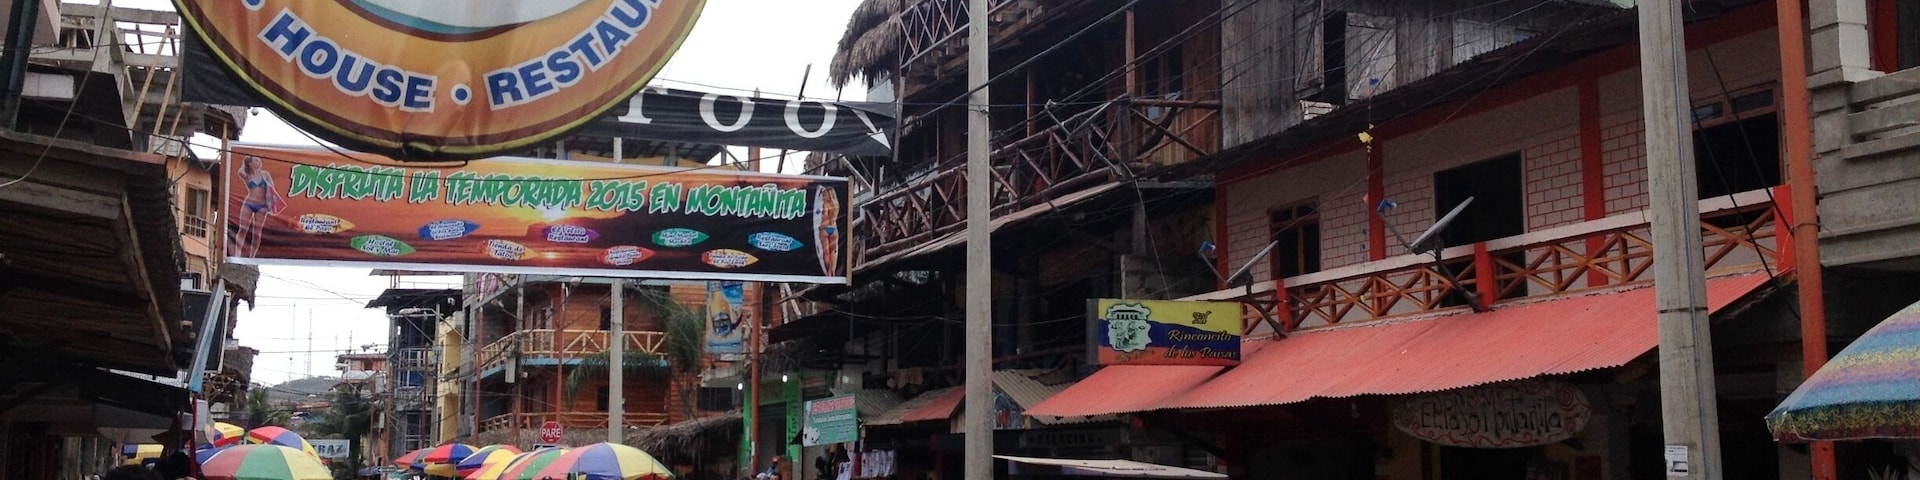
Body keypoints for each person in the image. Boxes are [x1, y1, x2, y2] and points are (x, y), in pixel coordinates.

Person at [234, 155, 283, 257]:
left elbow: (272, 189)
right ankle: (237, 253)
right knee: (243, 229)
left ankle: (252, 256)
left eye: (259, 160)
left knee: (256, 232)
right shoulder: (247, 175)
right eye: (256, 160)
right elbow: (240, 171)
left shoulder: (265, 174)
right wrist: (246, 163)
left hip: (262, 205)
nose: (259, 161)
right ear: (250, 163)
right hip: (249, 203)